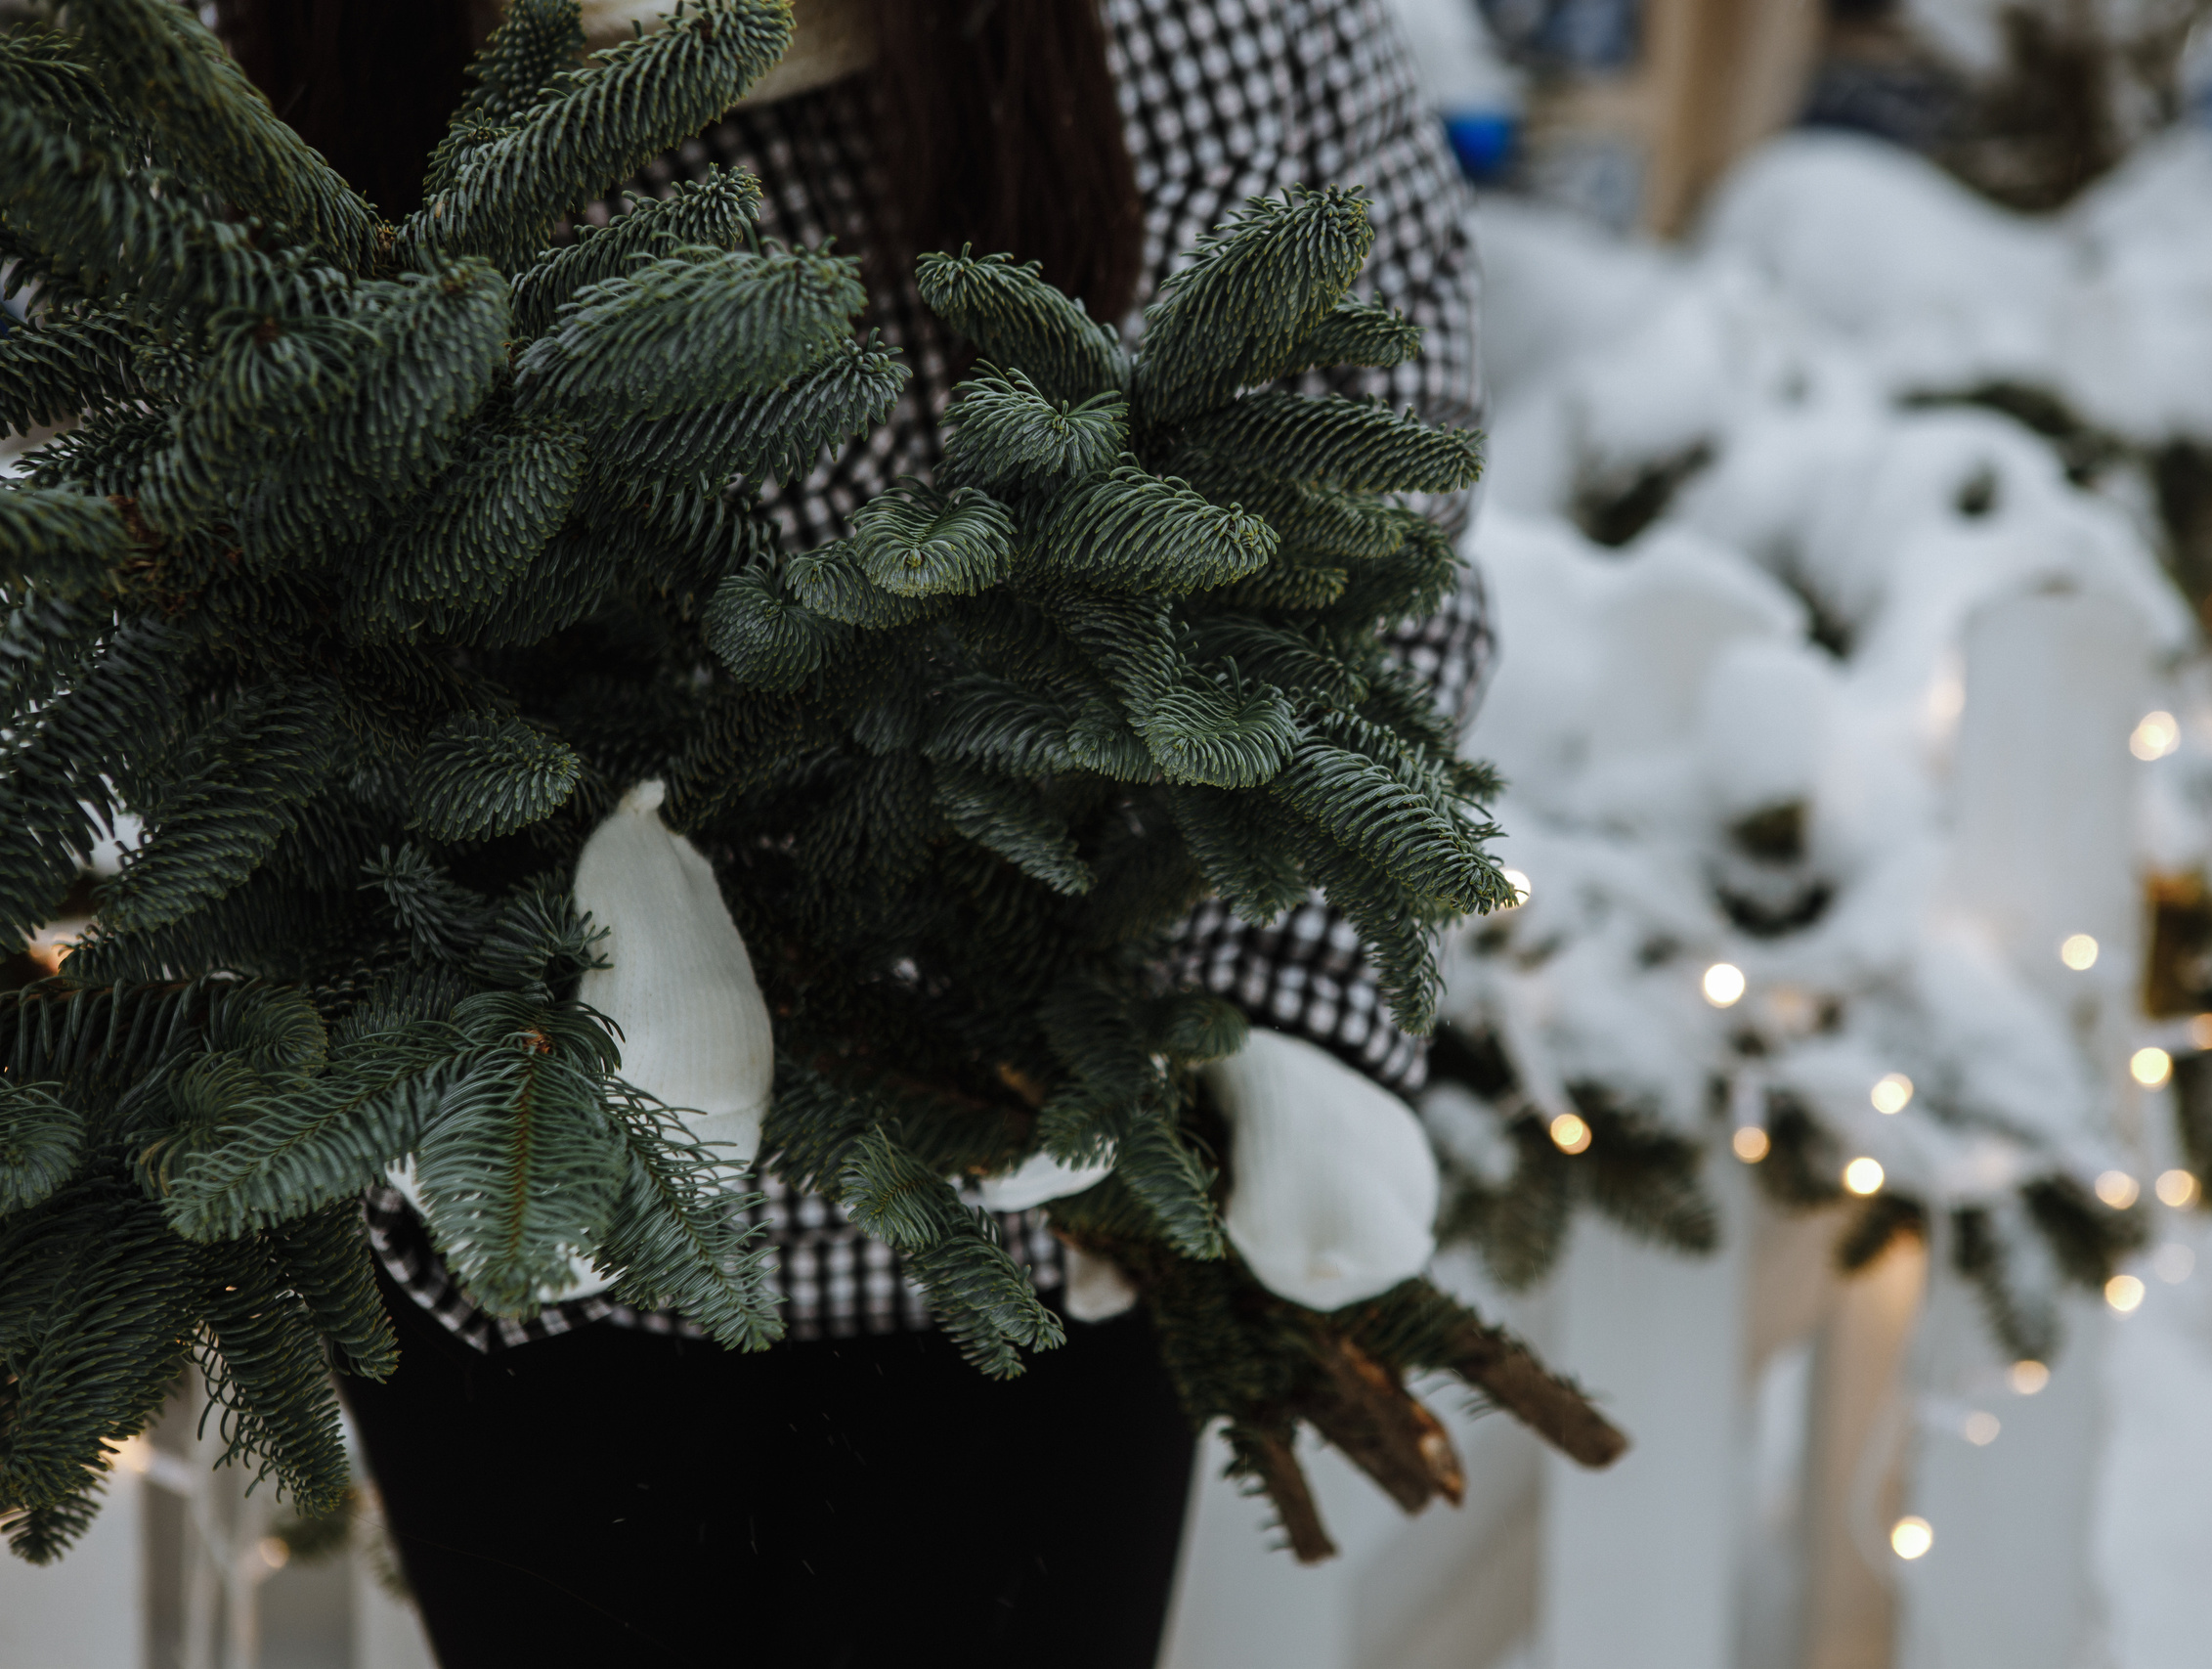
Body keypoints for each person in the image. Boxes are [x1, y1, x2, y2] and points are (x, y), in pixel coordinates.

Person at [219, 3, 1486, 1664]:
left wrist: (1287, 1002)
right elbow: (123, 542)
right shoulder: (281, 61)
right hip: (524, 1211)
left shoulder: (1210, 30)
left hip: (1044, 1198)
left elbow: (1379, 528)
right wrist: (486, 953)